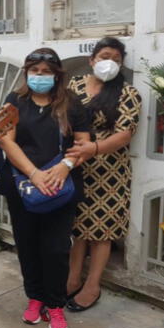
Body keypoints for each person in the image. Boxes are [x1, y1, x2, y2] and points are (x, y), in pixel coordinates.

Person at [0, 48, 91, 328]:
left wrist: (65, 166)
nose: (40, 76)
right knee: (27, 245)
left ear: (57, 75)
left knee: (57, 248)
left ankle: (56, 304)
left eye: (46, 72)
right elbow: (6, 141)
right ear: (27, 73)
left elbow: (83, 142)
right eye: (34, 71)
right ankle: (35, 298)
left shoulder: (71, 103)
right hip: (22, 184)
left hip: (60, 185)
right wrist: (34, 174)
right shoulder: (15, 101)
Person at [65, 37, 142, 312]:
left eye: (117, 60)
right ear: (92, 59)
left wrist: (94, 147)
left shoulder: (128, 94)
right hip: (77, 168)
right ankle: (73, 277)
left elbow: (124, 134)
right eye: (105, 56)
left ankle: (93, 284)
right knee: (79, 228)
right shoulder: (74, 86)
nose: (110, 63)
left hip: (109, 173)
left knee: (101, 232)